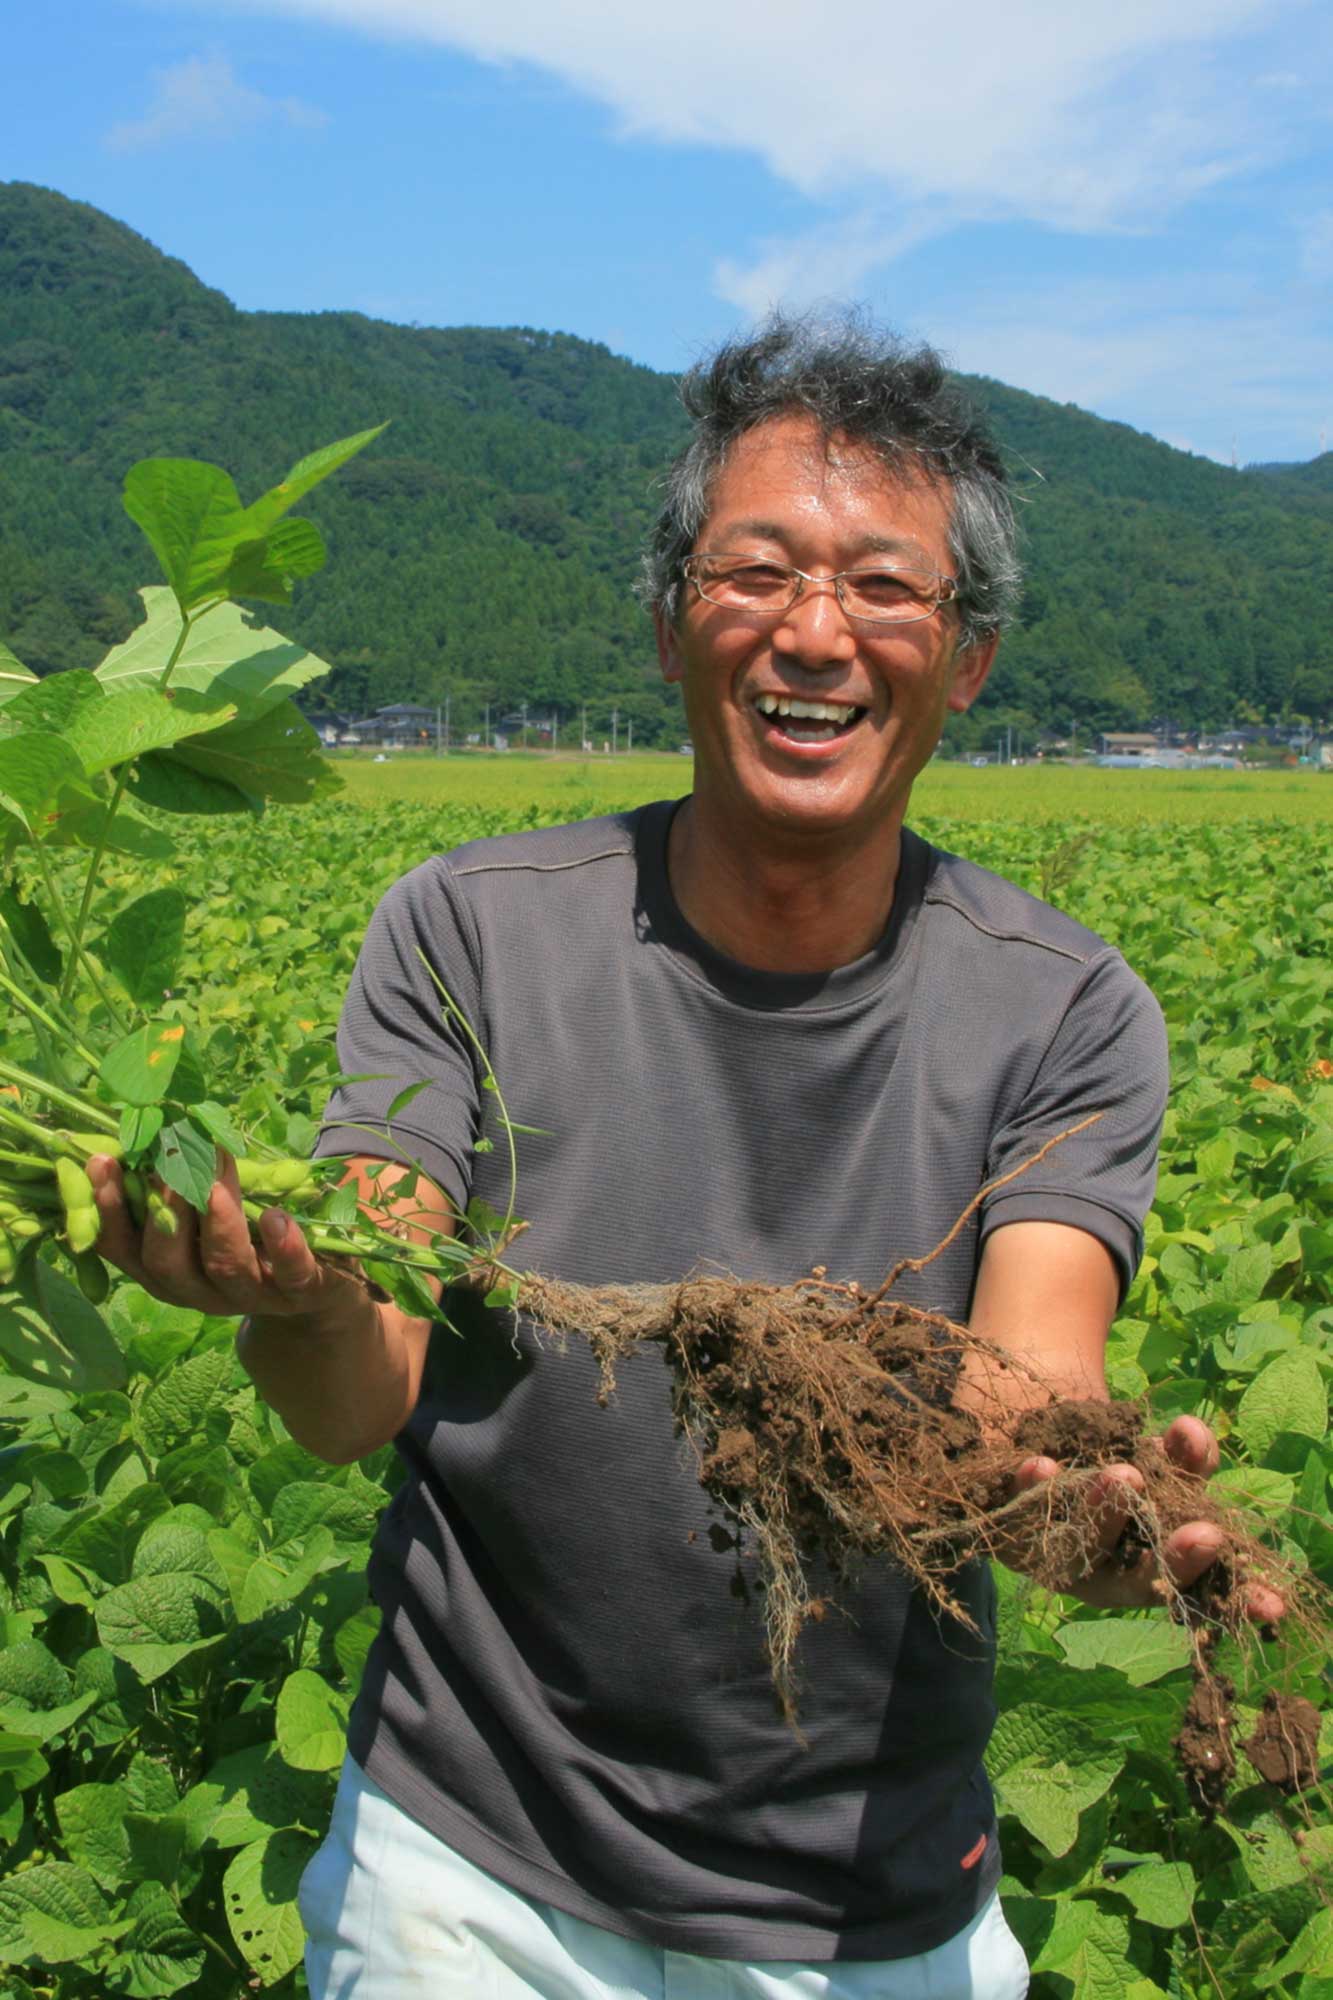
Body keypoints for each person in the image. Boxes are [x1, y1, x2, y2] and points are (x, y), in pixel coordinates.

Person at [89, 317, 1270, 2000]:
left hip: (865, 1903)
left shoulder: (1067, 1011)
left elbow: (1021, 1400)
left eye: (883, 587)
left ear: (972, 658)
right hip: (471, 1868)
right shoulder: (470, 933)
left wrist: (1090, 1518)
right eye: (756, 573)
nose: (812, 632)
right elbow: (362, 1372)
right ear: (665, 620)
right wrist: (294, 1296)